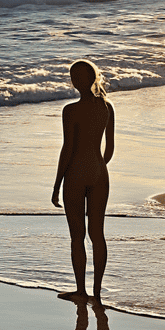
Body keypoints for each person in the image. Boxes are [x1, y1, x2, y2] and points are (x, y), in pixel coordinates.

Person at [50, 60, 115, 304]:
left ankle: (81, 291)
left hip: (76, 175)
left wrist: (57, 185)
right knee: (97, 234)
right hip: (100, 174)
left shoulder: (71, 110)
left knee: (77, 236)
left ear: (77, 81)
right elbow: (109, 149)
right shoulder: (106, 107)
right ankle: (97, 292)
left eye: (74, 76)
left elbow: (67, 149)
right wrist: (97, 166)